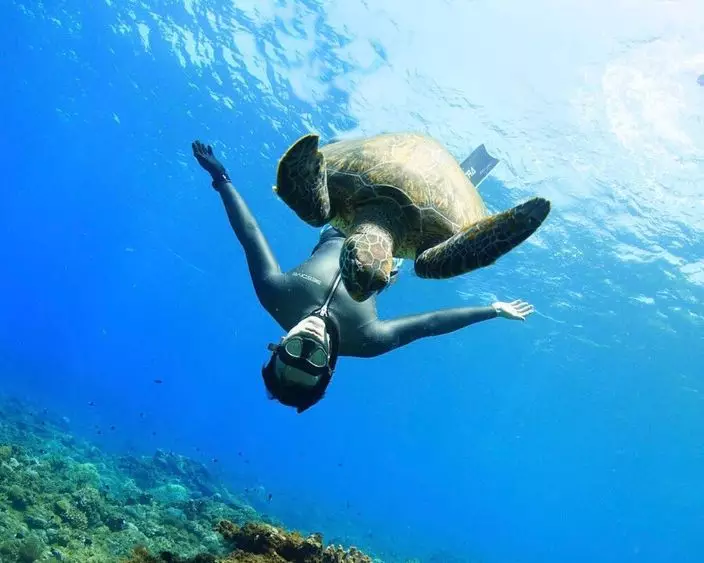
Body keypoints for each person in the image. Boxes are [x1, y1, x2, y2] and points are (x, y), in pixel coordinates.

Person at [192, 139, 536, 413]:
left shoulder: (275, 294)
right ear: (329, 366)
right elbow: (431, 323)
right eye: (314, 358)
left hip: (343, 215)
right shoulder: (367, 340)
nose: (310, 341)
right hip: (393, 252)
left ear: (279, 344)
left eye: (294, 349)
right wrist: (493, 309)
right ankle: (455, 203)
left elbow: (249, 233)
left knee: (315, 209)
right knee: (433, 258)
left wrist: (221, 179)